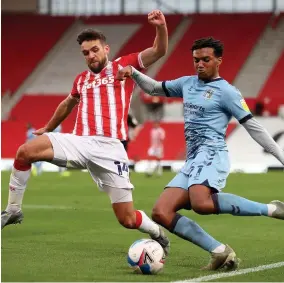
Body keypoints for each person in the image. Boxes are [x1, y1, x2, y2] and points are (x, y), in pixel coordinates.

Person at [1, 10, 170, 255]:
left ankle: (157, 233)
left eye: (94, 50)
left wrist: (161, 27)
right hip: (80, 142)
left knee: (127, 219)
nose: (90, 56)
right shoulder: (81, 80)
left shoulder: (124, 66)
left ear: (106, 49)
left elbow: (159, 50)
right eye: (85, 53)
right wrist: (48, 127)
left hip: (111, 148)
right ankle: (13, 209)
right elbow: (68, 103)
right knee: (25, 152)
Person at [116, 37, 284, 270]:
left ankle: (272, 209)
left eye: (206, 59)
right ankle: (219, 251)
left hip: (213, 154)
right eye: (196, 60)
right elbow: (154, 88)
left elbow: (253, 127)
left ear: (218, 61)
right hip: (193, 159)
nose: (200, 64)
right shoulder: (187, 83)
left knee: (200, 203)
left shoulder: (227, 92)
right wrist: (134, 72)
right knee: (161, 212)